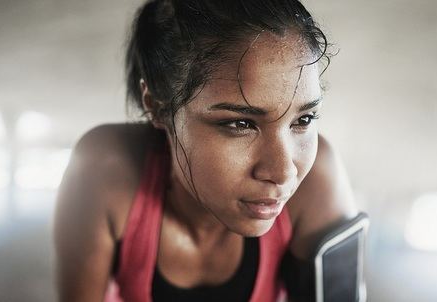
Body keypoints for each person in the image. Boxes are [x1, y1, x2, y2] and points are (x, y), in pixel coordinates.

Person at [54, 0, 359, 301]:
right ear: (158, 106)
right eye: (240, 123)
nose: (284, 172)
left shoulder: (317, 180)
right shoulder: (104, 170)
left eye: (303, 119)